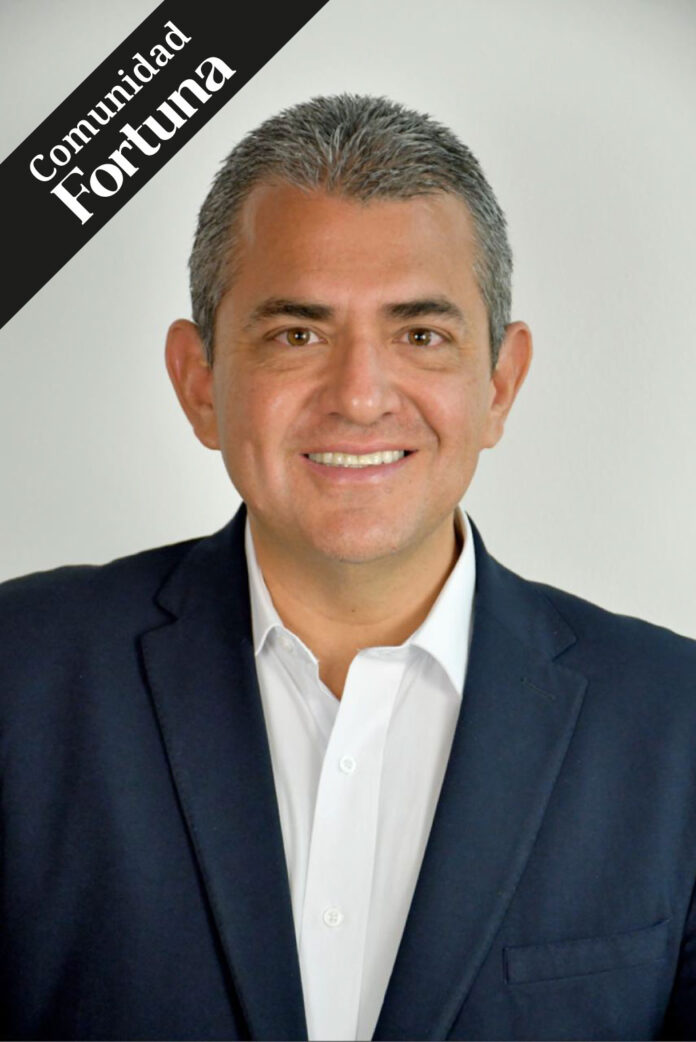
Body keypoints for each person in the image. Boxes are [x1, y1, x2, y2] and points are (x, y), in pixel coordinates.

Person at [1, 94, 694, 1042]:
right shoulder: (18, 676)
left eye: (421, 335)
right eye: (299, 334)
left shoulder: (679, 725)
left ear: (499, 384)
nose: (361, 397)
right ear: (200, 383)